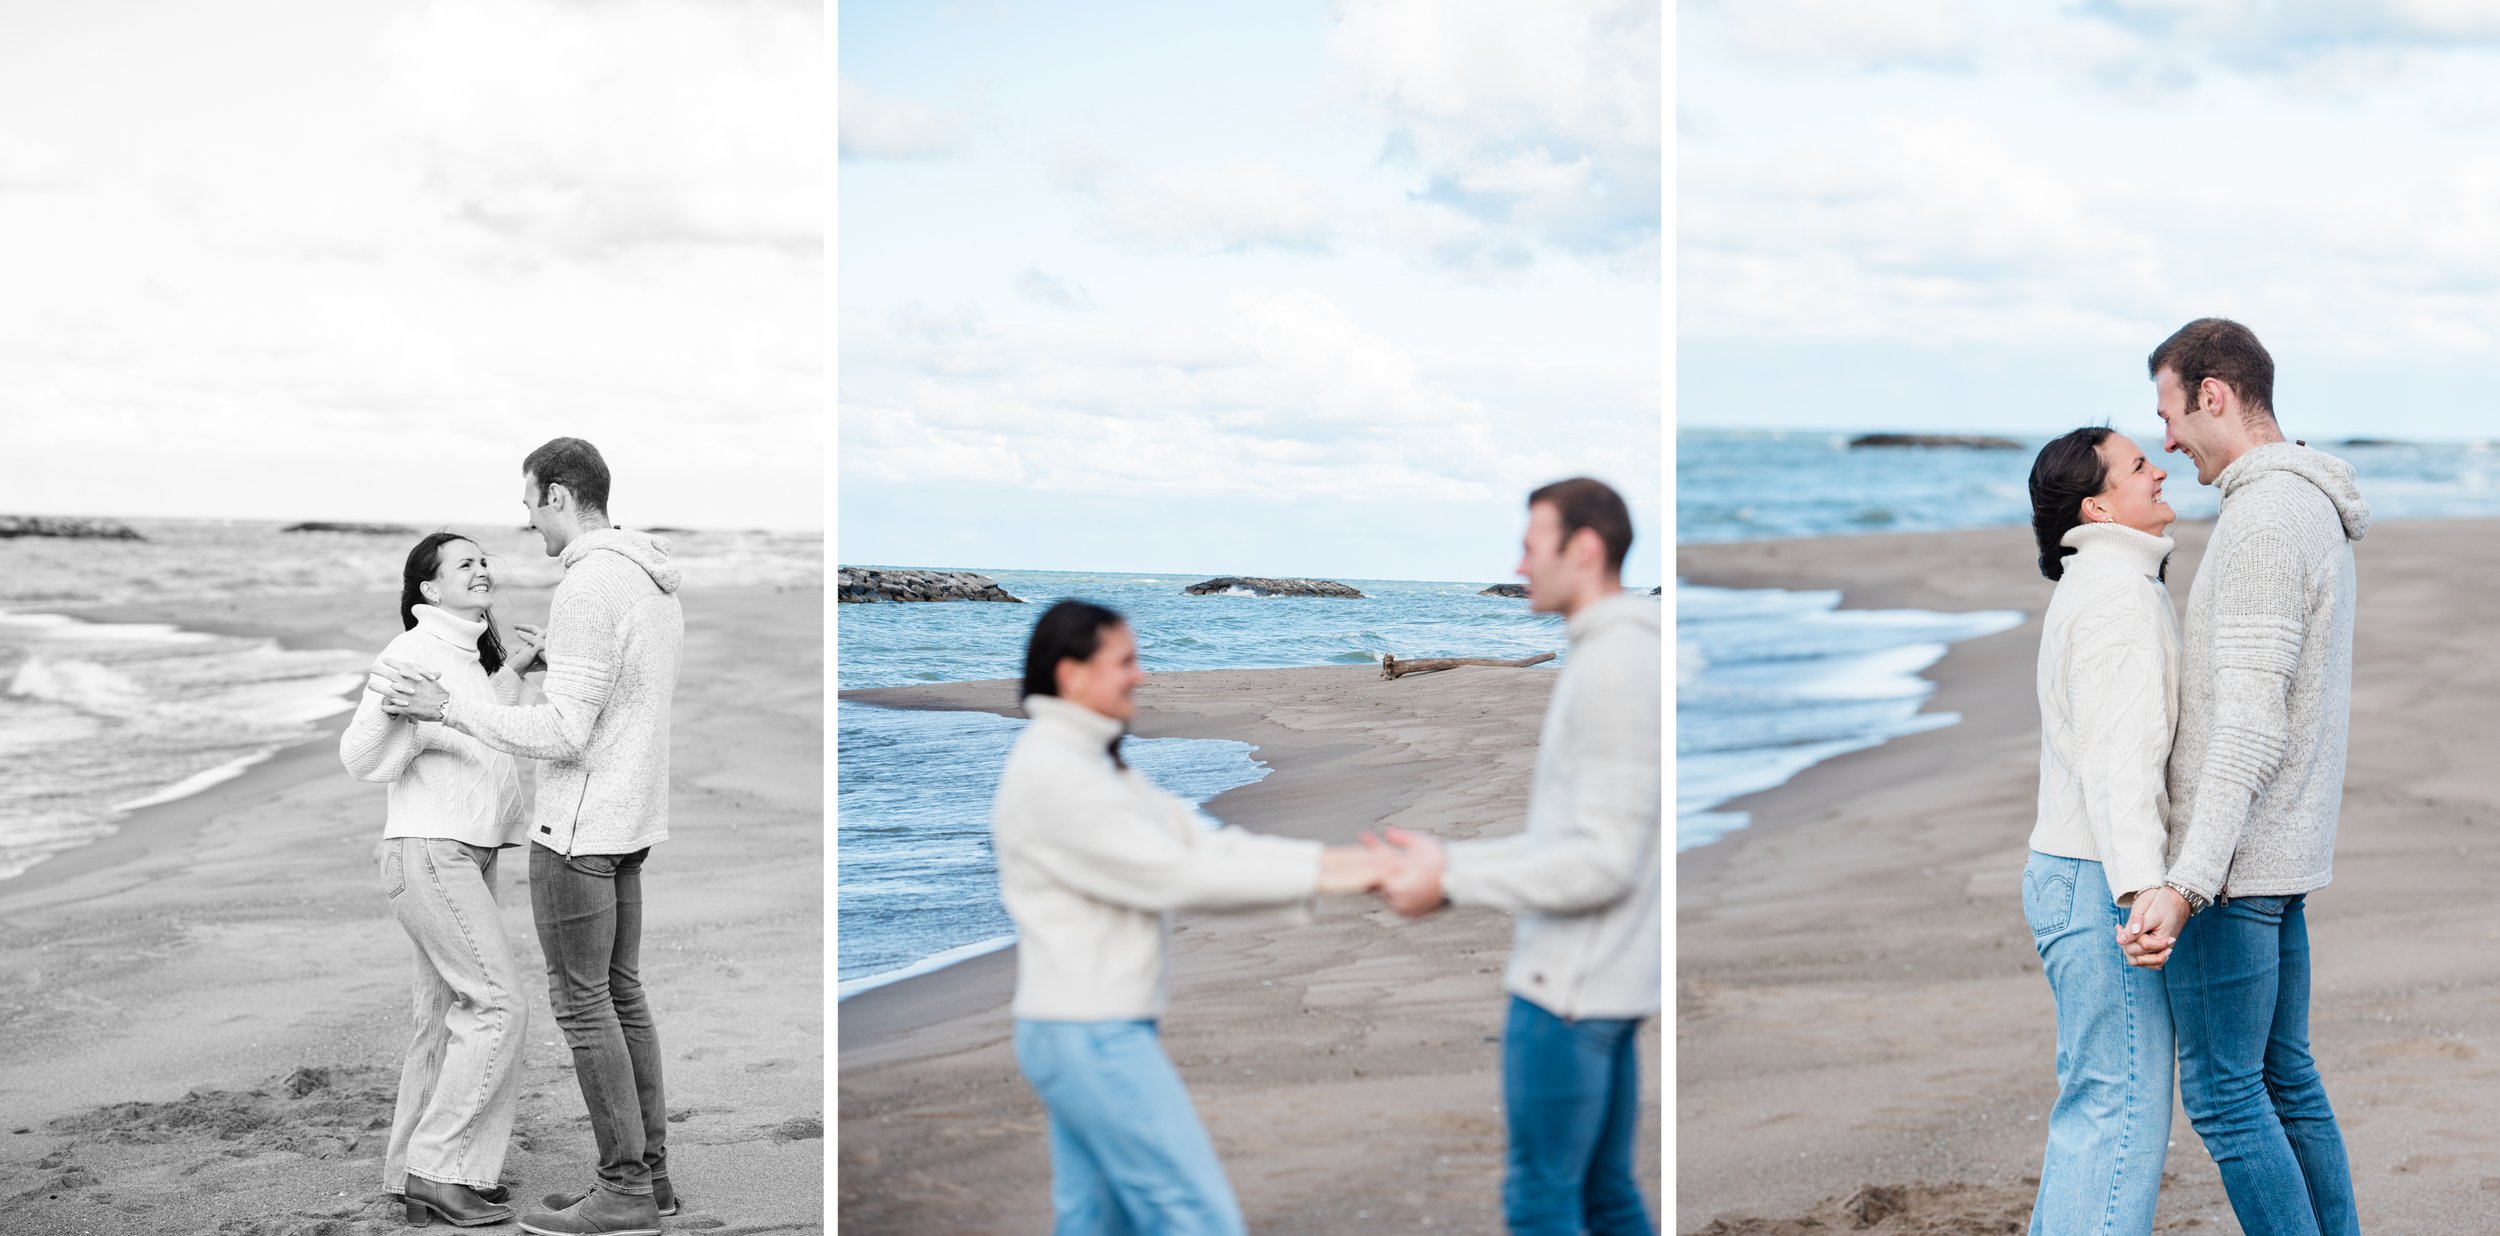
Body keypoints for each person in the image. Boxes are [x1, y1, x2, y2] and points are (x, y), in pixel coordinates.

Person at [993, 599, 1391, 1236]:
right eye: (1125, 661)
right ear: (1071, 675)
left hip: (1073, 1031)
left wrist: (1349, 867)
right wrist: (1352, 873)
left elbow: (1205, 845)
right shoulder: (1059, 774)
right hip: (1091, 1035)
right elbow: (1179, 874)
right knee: (1197, 1219)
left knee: (1095, 1222)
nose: (1140, 676)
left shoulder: (1094, 766)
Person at [373, 438, 685, 1236]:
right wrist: (526, 675)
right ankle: (651, 1179)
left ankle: (621, 1190)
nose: (526, 523)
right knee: (623, 994)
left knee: (584, 1007)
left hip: (579, 826)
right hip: (632, 817)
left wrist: (448, 707)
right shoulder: (652, 578)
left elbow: (564, 733)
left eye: (528, 504)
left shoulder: (588, 583)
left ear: (556, 495)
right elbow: (618, 706)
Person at [2123, 319, 2367, 1236]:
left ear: (2213, 395)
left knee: (2226, 1097)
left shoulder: (2266, 519)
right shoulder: (2300, 504)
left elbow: (2252, 723)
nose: (2167, 439)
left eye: (2170, 412)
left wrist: (2188, 880)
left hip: (2234, 867)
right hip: (2277, 857)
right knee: (2281, 1077)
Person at [1373, 476, 1662, 1236]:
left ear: (1585, 548)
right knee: (1604, 1198)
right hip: (1607, 985)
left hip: (1568, 991)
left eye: (1532, 546)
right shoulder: (1619, 654)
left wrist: (1450, 876)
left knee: (1543, 1202)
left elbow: (1602, 862)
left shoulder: (1613, 667)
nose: (1521, 563)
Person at [341, 531, 545, 1228]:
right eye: (466, 564)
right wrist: (398, 713)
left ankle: (411, 1172)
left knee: (441, 1020)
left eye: (485, 561)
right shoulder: (411, 653)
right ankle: (441, 1169)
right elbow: (359, 755)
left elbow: (486, 728)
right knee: (497, 1005)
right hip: (431, 851)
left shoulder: (462, 656)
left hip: (468, 853)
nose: (483, 570)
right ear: (428, 589)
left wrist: (514, 668)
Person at [2020, 428, 2182, 1235]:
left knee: (2094, 1108)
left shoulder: (2108, 580)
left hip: (2072, 869)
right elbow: (2120, 761)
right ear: (2095, 504)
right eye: (2137, 465)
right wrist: (2141, 890)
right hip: (2097, 879)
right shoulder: (2116, 594)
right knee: (2119, 1115)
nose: (2159, 466)